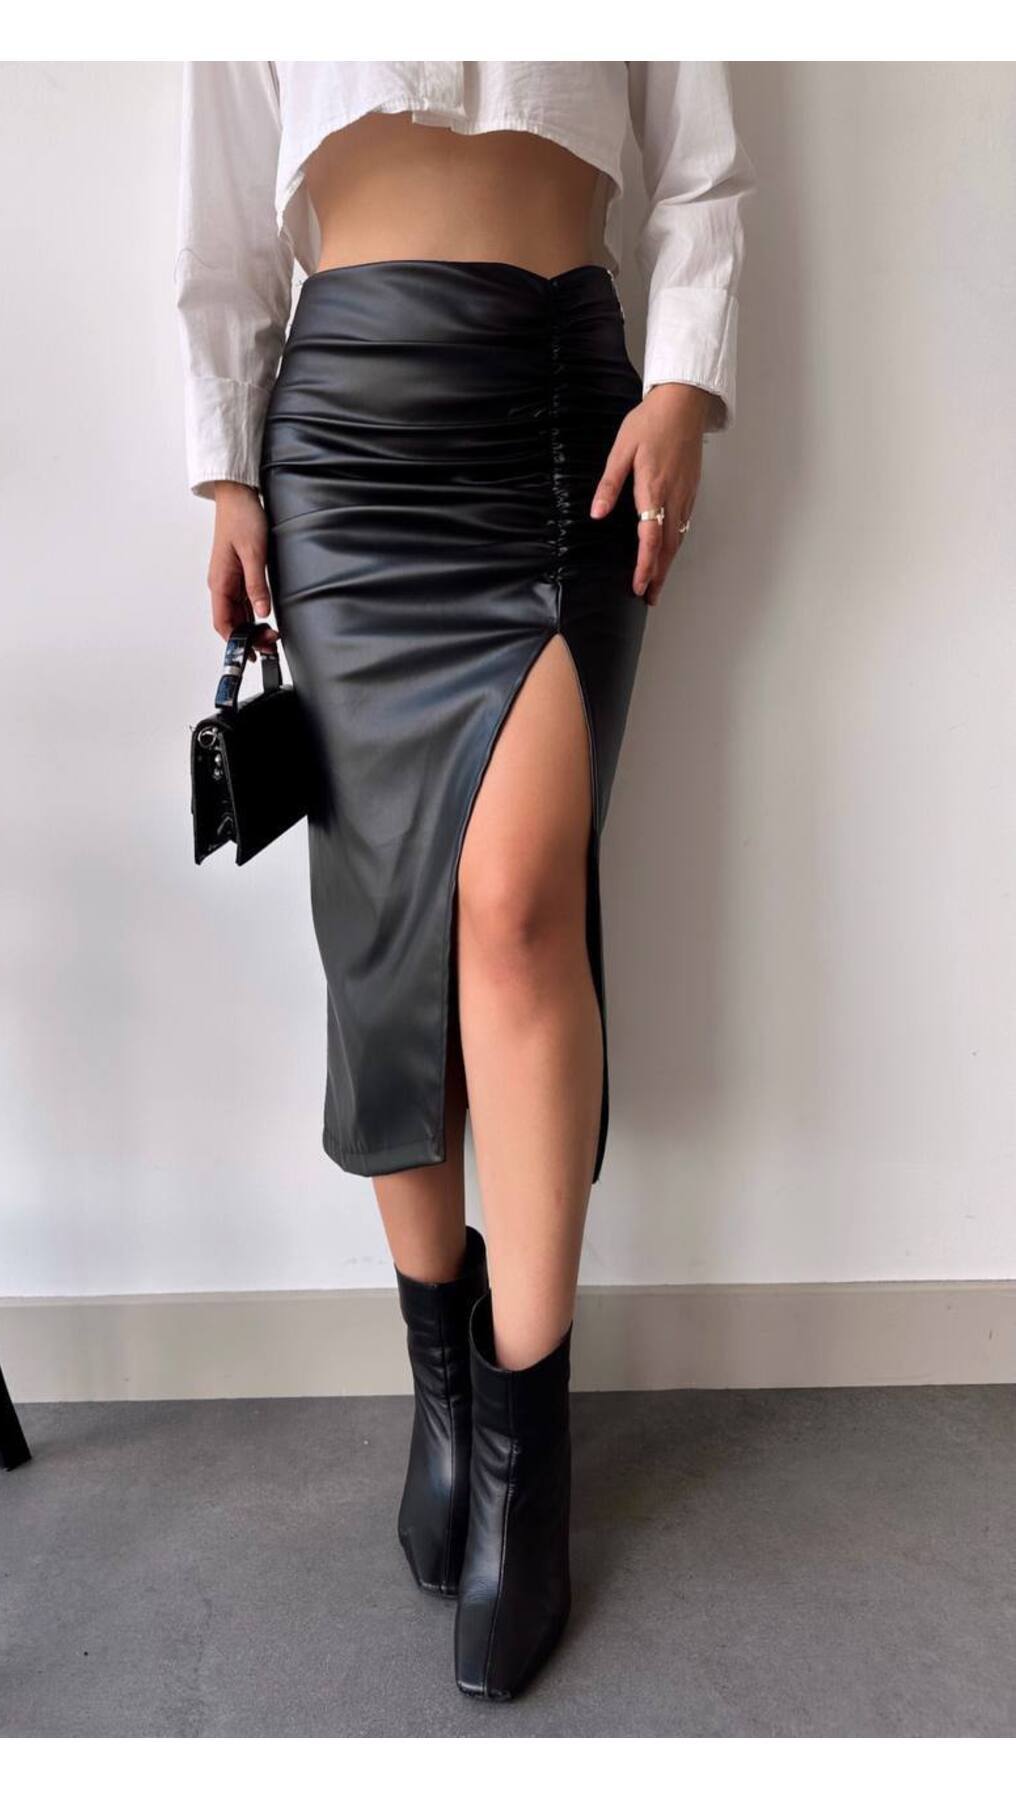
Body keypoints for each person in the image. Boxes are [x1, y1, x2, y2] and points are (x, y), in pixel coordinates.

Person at [175, 60, 755, 1701]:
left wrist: (686, 385)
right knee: (385, 948)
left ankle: (524, 1462)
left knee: (514, 912)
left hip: (558, 419)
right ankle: (445, 1392)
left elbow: (702, 170)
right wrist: (228, 473)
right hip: (343, 438)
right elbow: (223, 230)